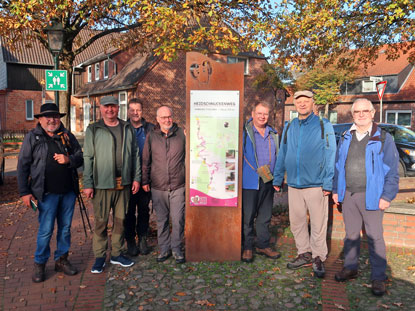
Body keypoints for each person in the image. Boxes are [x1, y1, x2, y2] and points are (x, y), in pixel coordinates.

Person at [332, 98, 399, 296]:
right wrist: (336, 189)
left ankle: (378, 278)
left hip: (373, 196)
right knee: (351, 235)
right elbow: (338, 166)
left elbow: (392, 171)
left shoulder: (383, 138)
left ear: (372, 113)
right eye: (357, 112)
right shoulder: (345, 136)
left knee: (375, 237)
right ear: (352, 114)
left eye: (365, 111)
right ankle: (351, 267)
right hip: (349, 195)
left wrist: (387, 196)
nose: (361, 115)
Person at [273, 90, 336, 278]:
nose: (302, 104)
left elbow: (330, 153)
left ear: (312, 103)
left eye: (306, 101)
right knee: (297, 223)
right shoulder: (290, 126)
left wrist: (327, 182)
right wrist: (278, 178)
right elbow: (282, 152)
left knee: (318, 223)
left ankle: (318, 257)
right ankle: (304, 253)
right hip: (293, 184)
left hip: (316, 184)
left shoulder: (323, 125)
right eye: (298, 101)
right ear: (294, 104)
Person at [17, 102, 83, 283]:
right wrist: (24, 192)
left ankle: (61, 260)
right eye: (48, 116)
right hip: (45, 194)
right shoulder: (33, 137)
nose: (52, 120)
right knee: (45, 231)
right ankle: (40, 263)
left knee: (65, 229)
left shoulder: (67, 135)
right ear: (40, 119)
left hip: (68, 192)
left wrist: (68, 159)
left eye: (55, 116)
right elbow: (22, 166)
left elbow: (80, 157)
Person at [83, 95, 141, 273]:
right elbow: (88, 157)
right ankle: (100, 257)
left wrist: (137, 178)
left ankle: (117, 253)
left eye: (113, 107)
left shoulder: (127, 127)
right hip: (101, 184)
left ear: (118, 108)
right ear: (101, 108)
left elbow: (135, 155)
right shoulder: (94, 129)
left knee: (120, 221)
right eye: (106, 107)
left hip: (123, 184)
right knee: (101, 222)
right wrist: (88, 183)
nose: (110, 110)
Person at [142, 106, 186, 264]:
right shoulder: (151, 136)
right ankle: (164, 248)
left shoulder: (181, 134)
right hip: (158, 186)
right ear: (157, 119)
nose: (167, 120)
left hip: (178, 185)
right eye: (163, 117)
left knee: (178, 218)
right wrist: (145, 181)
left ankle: (176, 248)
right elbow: (146, 161)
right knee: (162, 220)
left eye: (169, 117)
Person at [241, 102, 281, 263]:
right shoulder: (244, 132)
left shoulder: (273, 133)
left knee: (265, 216)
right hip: (250, 181)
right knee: (248, 217)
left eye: (265, 114)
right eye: (259, 113)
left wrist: (278, 177)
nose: (262, 117)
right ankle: (248, 247)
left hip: (268, 180)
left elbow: (279, 155)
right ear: (252, 114)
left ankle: (263, 245)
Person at [124, 98, 154, 256]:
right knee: (128, 212)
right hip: (128, 179)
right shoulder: (122, 128)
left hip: (145, 179)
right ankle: (130, 241)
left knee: (143, 211)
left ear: (143, 111)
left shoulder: (151, 129)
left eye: (138, 110)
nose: (135, 113)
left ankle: (142, 239)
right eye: (132, 110)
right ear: (128, 111)